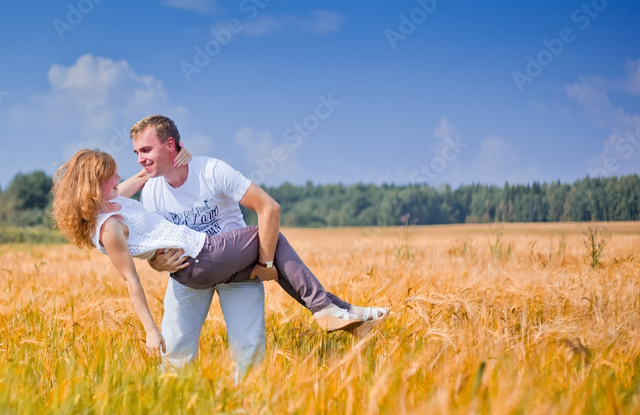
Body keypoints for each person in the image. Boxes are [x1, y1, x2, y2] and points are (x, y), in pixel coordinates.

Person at [50, 148, 388, 359]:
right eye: (111, 175)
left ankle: (346, 313)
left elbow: (138, 178)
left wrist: (174, 158)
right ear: (93, 183)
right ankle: (324, 309)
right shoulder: (108, 227)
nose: (119, 176)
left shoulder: (110, 200)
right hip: (202, 255)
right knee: (269, 237)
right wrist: (152, 330)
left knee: (279, 265)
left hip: (198, 263)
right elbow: (131, 282)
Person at [129, 115, 385, 376]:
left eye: (146, 150)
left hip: (236, 264)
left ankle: (248, 409)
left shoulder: (211, 170)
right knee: (174, 353)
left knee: (249, 353)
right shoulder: (151, 193)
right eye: (136, 152)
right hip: (191, 271)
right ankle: (336, 310)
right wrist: (156, 263)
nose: (140, 158)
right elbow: (154, 242)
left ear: (171, 144)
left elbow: (268, 207)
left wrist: (264, 263)